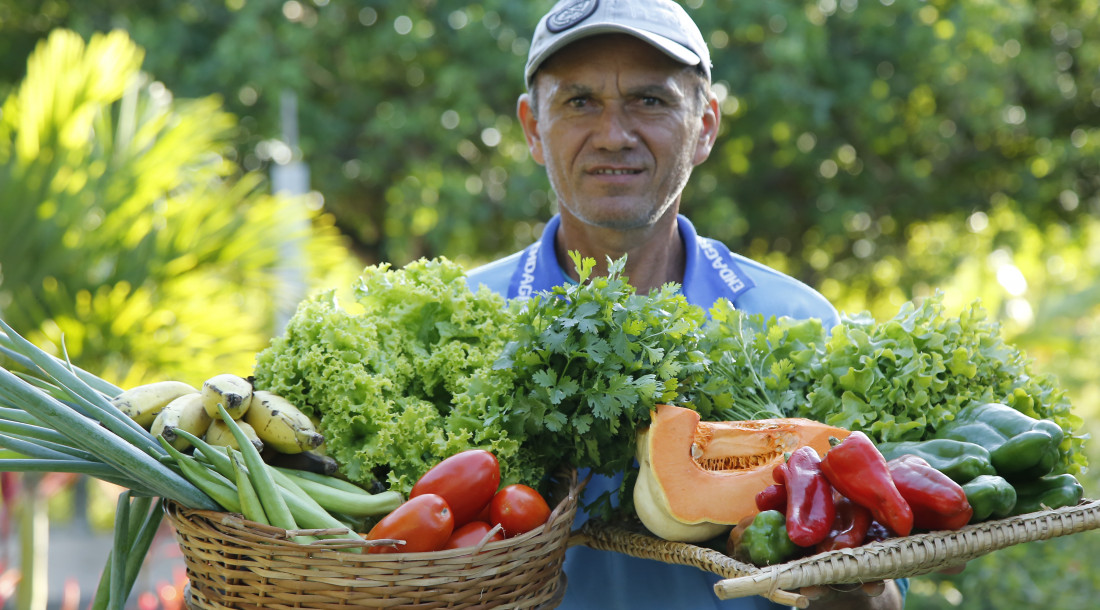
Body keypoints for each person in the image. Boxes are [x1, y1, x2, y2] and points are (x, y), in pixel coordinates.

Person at [466, 0, 907, 607]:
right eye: (579, 102)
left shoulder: (798, 323)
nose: (614, 135)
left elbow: (883, 596)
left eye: (650, 100)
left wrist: (842, 583)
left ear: (704, 126)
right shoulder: (465, 321)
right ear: (533, 128)